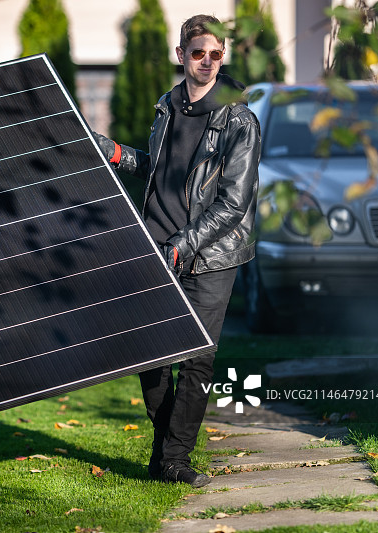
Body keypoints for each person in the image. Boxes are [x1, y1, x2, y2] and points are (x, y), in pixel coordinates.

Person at [94, 15, 260, 488]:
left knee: (196, 360)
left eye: (215, 54)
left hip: (210, 255)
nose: (207, 62)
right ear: (181, 54)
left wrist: (182, 245)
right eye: (198, 53)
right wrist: (119, 155)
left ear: (223, 57)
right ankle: (166, 450)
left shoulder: (239, 119)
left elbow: (233, 202)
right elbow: (165, 172)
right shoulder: (167, 107)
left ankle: (173, 459)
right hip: (158, 244)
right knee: (149, 353)